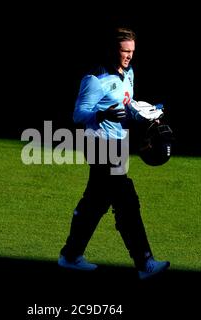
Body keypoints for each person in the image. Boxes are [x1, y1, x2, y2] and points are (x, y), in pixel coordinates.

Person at [58, 27, 170, 280]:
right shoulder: (94, 79)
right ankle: (145, 263)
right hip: (98, 144)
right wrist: (101, 114)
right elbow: (78, 115)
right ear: (113, 49)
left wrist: (143, 112)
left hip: (118, 144)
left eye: (132, 51)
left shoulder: (128, 72)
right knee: (126, 200)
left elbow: (126, 103)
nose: (129, 56)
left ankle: (70, 255)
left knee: (95, 202)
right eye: (124, 51)